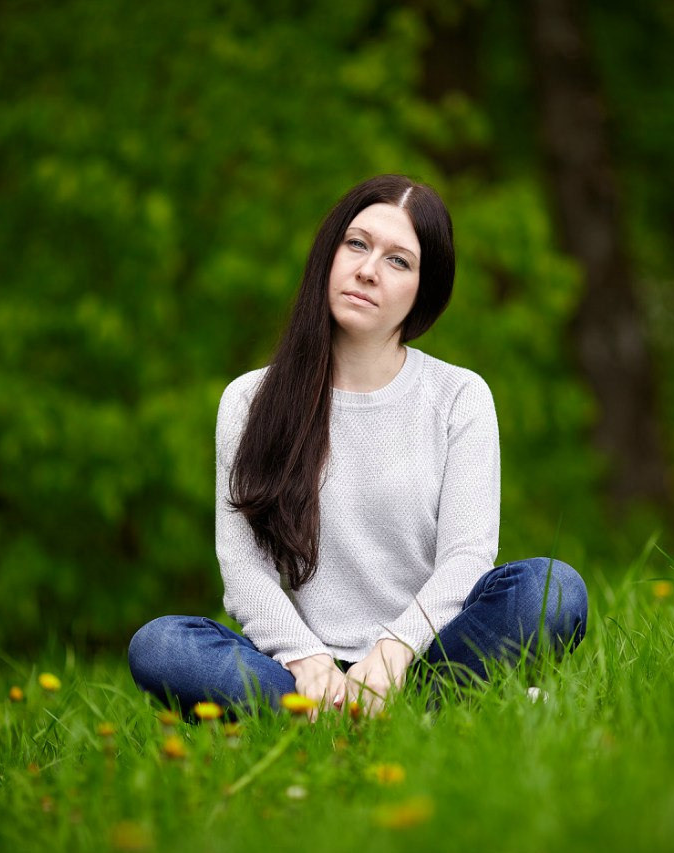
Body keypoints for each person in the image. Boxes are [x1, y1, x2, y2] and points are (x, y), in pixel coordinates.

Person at [128, 174, 587, 719]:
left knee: (552, 592)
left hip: (423, 654)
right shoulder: (250, 400)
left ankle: (392, 706)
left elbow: (468, 557)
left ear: (425, 288)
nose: (368, 270)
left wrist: (393, 652)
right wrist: (305, 657)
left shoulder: (459, 396)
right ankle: (421, 711)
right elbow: (244, 572)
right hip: (299, 670)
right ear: (330, 253)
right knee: (161, 646)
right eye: (357, 244)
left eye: (399, 261)